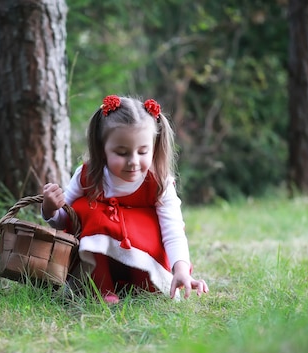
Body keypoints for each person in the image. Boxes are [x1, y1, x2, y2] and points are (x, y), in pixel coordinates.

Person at [42, 95, 208, 303]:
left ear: (154, 148)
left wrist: (182, 269)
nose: (133, 162)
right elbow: (67, 220)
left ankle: (145, 285)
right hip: (96, 262)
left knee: (145, 220)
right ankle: (101, 289)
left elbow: (173, 230)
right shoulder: (88, 176)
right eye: (121, 153)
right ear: (103, 149)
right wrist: (51, 210)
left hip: (144, 260)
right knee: (86, 208)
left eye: (142, 151)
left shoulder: (159, 184)